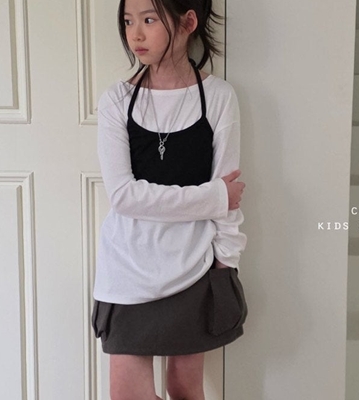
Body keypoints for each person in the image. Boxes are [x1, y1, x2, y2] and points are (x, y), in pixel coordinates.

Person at [91, 0, 247, 398]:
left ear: (187, 22)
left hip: (193, 267)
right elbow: (124, 196)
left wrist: (226, 262)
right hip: (127, 269)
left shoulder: (218, 96)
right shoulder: (116, 100)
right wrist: (214, 196)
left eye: (148, 20)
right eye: (128, 21)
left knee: (184, 389)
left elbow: (231, 199)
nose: (135, 34)